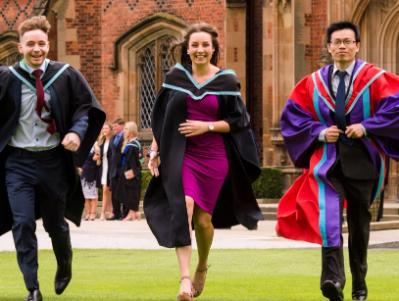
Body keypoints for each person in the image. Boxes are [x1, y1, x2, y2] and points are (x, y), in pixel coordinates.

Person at [276, 21, 399, 301]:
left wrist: (368, 126)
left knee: (359, 223)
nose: (342, 46)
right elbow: (293, 116)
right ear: (329, 47)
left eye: (347, 41)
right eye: (337, 42)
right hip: (327, 164)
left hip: (363, 163)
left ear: (357, 46)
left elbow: (397, 106)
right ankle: (332, 279)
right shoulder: (313, 82)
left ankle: (359, 282)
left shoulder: (375, 78)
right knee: (328, 218)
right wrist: (319, 132)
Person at [144, 23, 262, 301]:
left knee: (204, 220)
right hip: (180, 154)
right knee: (183, 206)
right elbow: (161, 118)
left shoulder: (226, 81)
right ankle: (184, 279)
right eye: (195, 45)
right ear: (187, 49)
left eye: (205, 45)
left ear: (213, 49)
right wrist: (155, 150)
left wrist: (206, 127)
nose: (200, 50)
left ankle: (202, 265)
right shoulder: (175, 78)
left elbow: (240, 121)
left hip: (214, 156)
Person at [0, 16, 105, 301]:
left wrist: (76, 132)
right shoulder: (7, 77)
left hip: (52, 162)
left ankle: (64, 264)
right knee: (22, 223)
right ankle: (32, 287)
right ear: (20, 47)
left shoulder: (66, 75)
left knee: (55, 224)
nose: (37, 49)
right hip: (18, 163)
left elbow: (85, 108)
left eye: (42, 43)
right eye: (30, 44)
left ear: (49, 45)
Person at [115, 121, 142, 221]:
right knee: (126, 192)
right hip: (126, 171)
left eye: (126, 129)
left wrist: (134, 172)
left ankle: (132, 213)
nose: (124, 131)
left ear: (131, 131)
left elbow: (137, 160)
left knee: (131, 192)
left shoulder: (134, 144)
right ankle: (134, 213)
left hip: (130, 172)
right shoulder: (131, 143)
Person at [94, 122, 114, 220]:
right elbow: (98, 156)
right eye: (103, 129)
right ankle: (105, 212)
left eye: (106, 128)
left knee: (108, 190)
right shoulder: (101, 142)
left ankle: (107, 212)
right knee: (106, 190)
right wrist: (97, 157)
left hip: (111, 168)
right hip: (103, 168)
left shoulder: (113, 141)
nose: (104, 130)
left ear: (110, 130)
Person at [109, 117, 125, 220]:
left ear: (121, 125)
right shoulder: (113, 137)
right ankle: (116, 213)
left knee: (122, 191)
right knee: (113, 191)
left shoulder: (125, 136)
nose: (114, 128)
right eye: (113, 126)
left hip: (122, 167)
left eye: (115, 126)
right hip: (113, 168)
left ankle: (124, 213)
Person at [79, 146, 99, 221]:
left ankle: (93, 213)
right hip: (83, 173)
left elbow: (97, 158)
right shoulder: (83, 146)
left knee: (93, 196)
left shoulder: (95, 146)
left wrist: (97, 157)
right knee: (85, 196)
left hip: (92, 173)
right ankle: (87, 213)